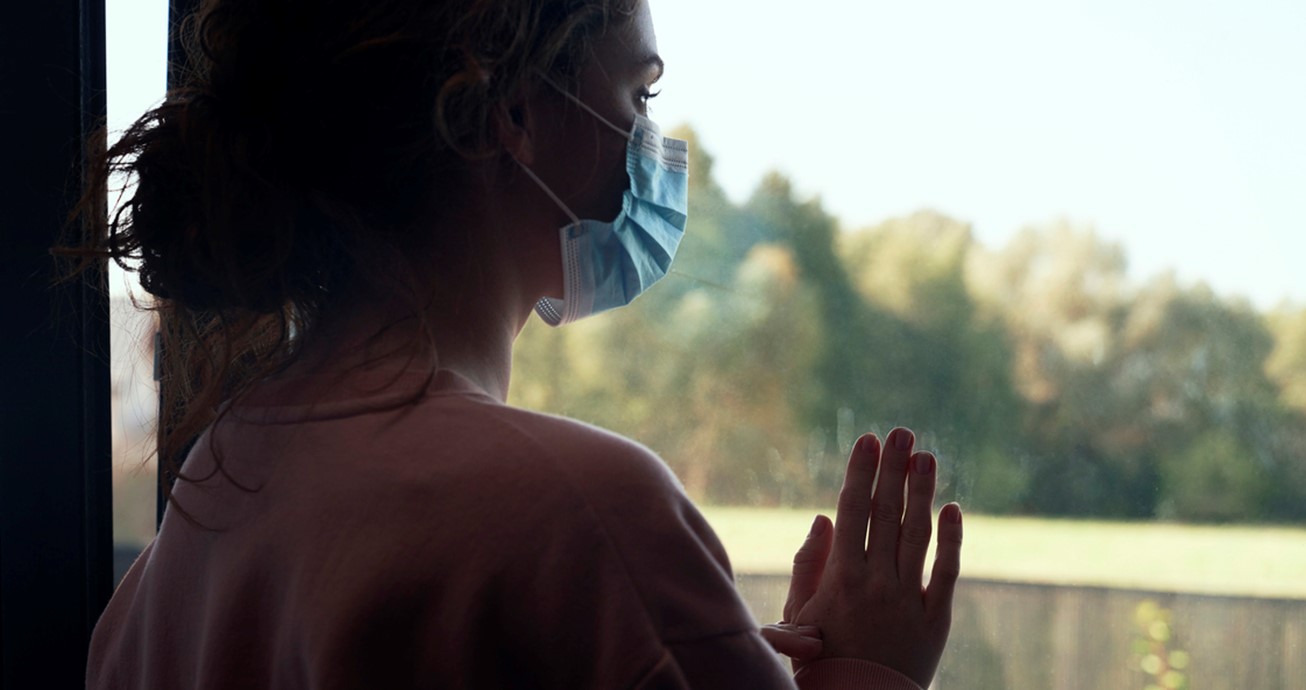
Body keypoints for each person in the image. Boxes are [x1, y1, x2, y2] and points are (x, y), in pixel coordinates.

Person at [66, 0, 963, 687]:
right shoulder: (589, 518)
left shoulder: (202, 512)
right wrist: (868, 670)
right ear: (514, 113)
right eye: (638, 95)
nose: (654, 143)